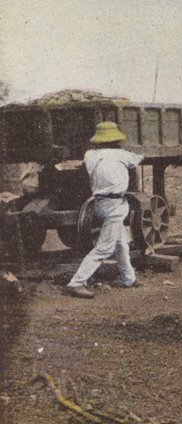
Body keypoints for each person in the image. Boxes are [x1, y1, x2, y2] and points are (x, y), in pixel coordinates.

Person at [63, 122, 144, 298]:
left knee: (121, 242)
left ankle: (128, 278)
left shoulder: (90, 155)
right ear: (116, 140)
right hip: (115, 205)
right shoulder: (122, 155)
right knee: (105, 248)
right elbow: (139, 158)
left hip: (98, 204)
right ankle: (76, 283)